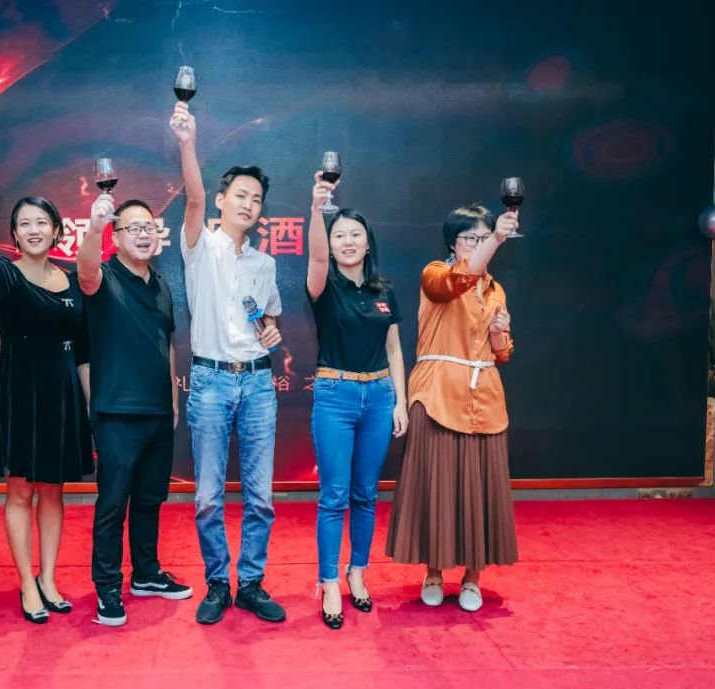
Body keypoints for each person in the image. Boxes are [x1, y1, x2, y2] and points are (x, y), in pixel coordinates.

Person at [171, 101, 285, 625]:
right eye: (240, 195)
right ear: (221, 200)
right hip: (211, 382)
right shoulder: (201, 246)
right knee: (208, 498)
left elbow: (267, 318)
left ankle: (251, 583)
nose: (249, 204)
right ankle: (218, 582)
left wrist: (270, 330)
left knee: (260, 497)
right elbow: (192, 197)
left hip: (258, 383)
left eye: (256, 199)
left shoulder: (265, 262)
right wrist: (188, 142)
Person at [385, 204, 519, 612]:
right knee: (436, 487)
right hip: (438, 396)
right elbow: (457, 282)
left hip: (484, 400)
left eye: (484, 238)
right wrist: (497, 238)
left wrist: (498, 334)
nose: (478, 245)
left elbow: (503, 353)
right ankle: (433, 572)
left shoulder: (495, 290)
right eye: (471, 238)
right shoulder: (436, 274)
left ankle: (473, 578)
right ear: (452, 243)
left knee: (479, 490)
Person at [0, 184, 94, 624]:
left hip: (62, 391)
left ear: (57, 230)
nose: (34, 230)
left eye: (42, 222)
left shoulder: (73, 281)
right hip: (19, 387)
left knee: (53, 490)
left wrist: (90, 406)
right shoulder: (4, 276)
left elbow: (83, 350)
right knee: (20, 490)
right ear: (15, 235)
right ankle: (26, 581)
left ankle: (48, 578)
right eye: (25, 224)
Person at [77, 192, 193, 627]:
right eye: (134, 228)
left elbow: (167, 344)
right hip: (116, 413)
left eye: (150, 228)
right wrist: (93, 227)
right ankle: (107, 587)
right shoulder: (102, 277)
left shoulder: (161, 284)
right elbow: (85, 270)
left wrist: (173, 399)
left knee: (150, 498)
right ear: (116, 236)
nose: (144, 235)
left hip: (158, 411)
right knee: (113, 503)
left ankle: (145, 573)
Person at [305, 174, 408, 630]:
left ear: (368, 244)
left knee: (366, 494)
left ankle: (357, 572)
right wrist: (316, 209)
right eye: (339, 236)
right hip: (335, 396)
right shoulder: (323, 286)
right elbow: (315, 257)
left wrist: (400, 402)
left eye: (355, 235)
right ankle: (329, 580)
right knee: (334, 496)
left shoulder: (384, 291)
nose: (347, 242)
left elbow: (395, 350)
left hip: (380, 397)